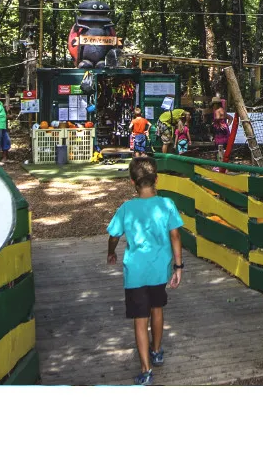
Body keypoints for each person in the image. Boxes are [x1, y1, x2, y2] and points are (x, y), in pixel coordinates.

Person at [106, 157, 186, 385]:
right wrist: (178, 266)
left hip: (135, 273)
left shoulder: (126, 208)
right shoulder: (167, 204)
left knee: (140, 319)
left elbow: (113, 236)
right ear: (156, 179)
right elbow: (175, 235)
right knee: (157, 309)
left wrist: (111, 252)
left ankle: (146, 369)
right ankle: (157, 350)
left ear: (132, 181)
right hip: (160, 270)